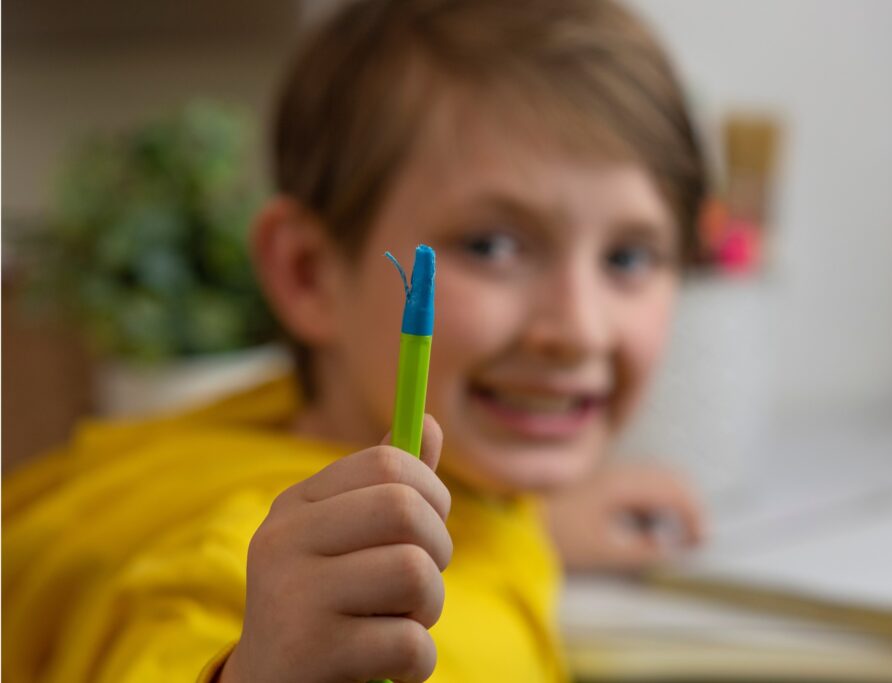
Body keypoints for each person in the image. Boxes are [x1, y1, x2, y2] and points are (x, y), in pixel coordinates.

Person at [3, 0, 707, 681]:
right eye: (491, 245)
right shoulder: (239, 572)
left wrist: (531, 527)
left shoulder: (461, 474)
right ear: (310, 275)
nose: (579, 329)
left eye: (629, 258)